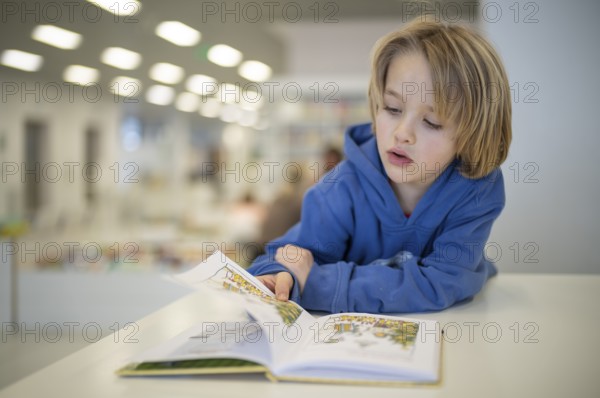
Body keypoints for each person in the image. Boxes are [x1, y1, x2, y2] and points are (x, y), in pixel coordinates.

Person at [247, 18, 512, 314]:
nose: (402, 133)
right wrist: (283, 276)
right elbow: (285, 257)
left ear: (471, 135)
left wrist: (319, 284)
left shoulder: (477, 191)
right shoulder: (340, 188)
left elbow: (443, 281)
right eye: (393, 108)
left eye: (431, 122)